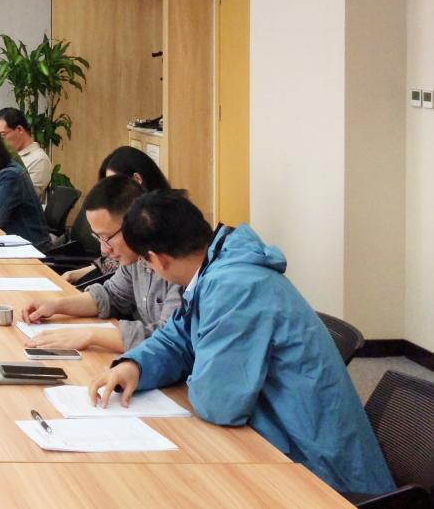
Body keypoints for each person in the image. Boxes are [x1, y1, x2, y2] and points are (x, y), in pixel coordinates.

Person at [88, 192, 395, 496]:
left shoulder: (235, 287)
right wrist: (135, 365)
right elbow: (179, 337)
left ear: (157, 259)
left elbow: (218, 403)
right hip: (280, 441)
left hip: (320, 472)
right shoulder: (214, 267)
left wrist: (195, 370)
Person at [20, 175, 181, 351]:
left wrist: (91, 335)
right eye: (99, 238)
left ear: (135, 224)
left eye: (107, 237)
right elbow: (111, 296)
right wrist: (56, 305)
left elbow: (169, 341)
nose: (104, 250)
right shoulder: (134, 259)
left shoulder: (177, 266)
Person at [61, 146, 173, 284]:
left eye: (116, 182)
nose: (111, 190)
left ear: (137, 180)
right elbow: (114, 277)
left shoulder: (164, 227)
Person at [0, 107, 51, 198]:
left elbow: (26, 197)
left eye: (2, 135)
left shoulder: (39, 159)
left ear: (19, 129)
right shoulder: (6, 155)